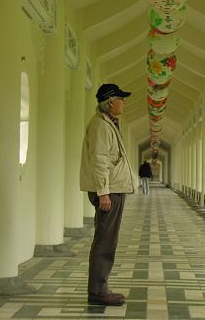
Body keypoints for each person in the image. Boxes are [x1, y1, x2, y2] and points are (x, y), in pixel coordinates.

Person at [80, 83, 137, 306]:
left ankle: (100, 287)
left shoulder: (109, 124)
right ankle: (97, 291)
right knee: (105, 241)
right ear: (110, 102)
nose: (124, 102)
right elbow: (99, 160)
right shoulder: (101, 126)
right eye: (121, 99)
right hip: (109, 192)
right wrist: (103, 193)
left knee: (107, 240)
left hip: (113, 189)